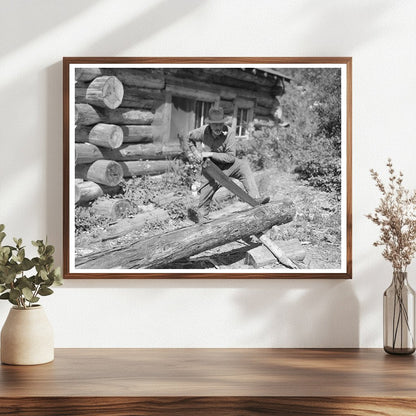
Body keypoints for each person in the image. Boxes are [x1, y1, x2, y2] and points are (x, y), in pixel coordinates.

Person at [185, 107, 270, 223]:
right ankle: (203, 218)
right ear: (209, 124)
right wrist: (195, 153)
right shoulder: (201, 132)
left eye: (220, 124)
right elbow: (188, 138)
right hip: (211, 167)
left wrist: (209, 153)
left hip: (228, 164)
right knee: (204, 196)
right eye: (215, 125)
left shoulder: (229, 132)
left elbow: (230, 157)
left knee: (243, 165)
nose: (218, 127)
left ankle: (255, 199)